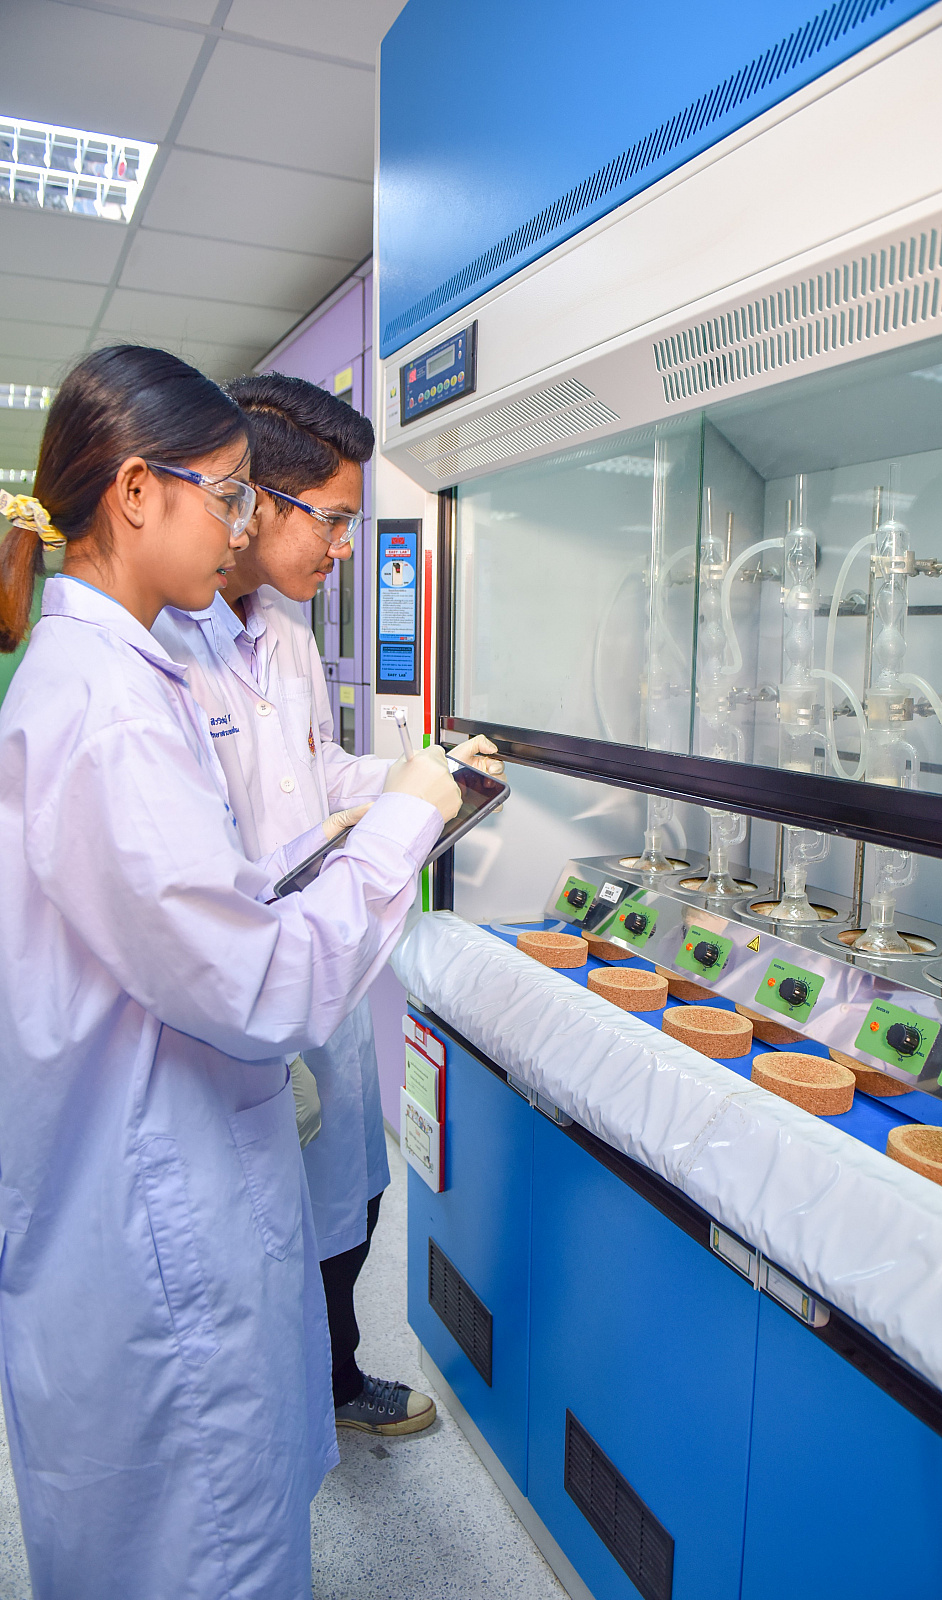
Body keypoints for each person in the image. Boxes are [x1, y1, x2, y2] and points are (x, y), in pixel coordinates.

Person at [0, 345, 461, 1600]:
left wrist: (389, 800)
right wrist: (407, 826)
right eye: (229, 494)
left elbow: (226, 873)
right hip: (155, 1210)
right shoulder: (109, 705)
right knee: (203, 1547)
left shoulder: (116, 673)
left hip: (170, 1162)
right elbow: (257, 984)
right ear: (134, 492)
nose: (242, 524)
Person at [153, 372, 502, 1435]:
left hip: (324, 980)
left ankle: (337, 1382)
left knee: (352, 1197)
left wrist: (420, 778)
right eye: (335, 520)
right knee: (258, 1230)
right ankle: (280, 1405)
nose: (346, 548)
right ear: (254, 501)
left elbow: (317, 772)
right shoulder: (166, 649)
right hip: (242, 997)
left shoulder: (289, 637)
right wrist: (380, 826)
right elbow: (206, 879)